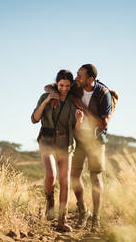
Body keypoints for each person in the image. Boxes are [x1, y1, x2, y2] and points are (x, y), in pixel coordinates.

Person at [45, 64, 112, 232]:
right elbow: (49, 86)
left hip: (96, 140)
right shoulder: (75, 86)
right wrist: (52, 94)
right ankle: (83, 209)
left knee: (95, 177)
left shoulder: (103, 94)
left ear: (90, 79)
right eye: (77, 74)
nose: (77, 78)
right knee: (74, 176)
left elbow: (103, 124)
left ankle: (95, 218)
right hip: (78, 139)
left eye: (80, 75)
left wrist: (81, 106)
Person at [31, 69, 82, 232]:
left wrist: (79, 121)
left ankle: (62, 219)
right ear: (57, 83)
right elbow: (34, 119)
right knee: (51, 175)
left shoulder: (73, 101)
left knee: (65, 181)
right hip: (46, 140)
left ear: (71, 85)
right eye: (61, 85)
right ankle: (49, 200)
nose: (64, 88)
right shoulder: (45, 96)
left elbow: (75, 130)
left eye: (67, 85)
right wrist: (46, 101)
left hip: (65, 143)